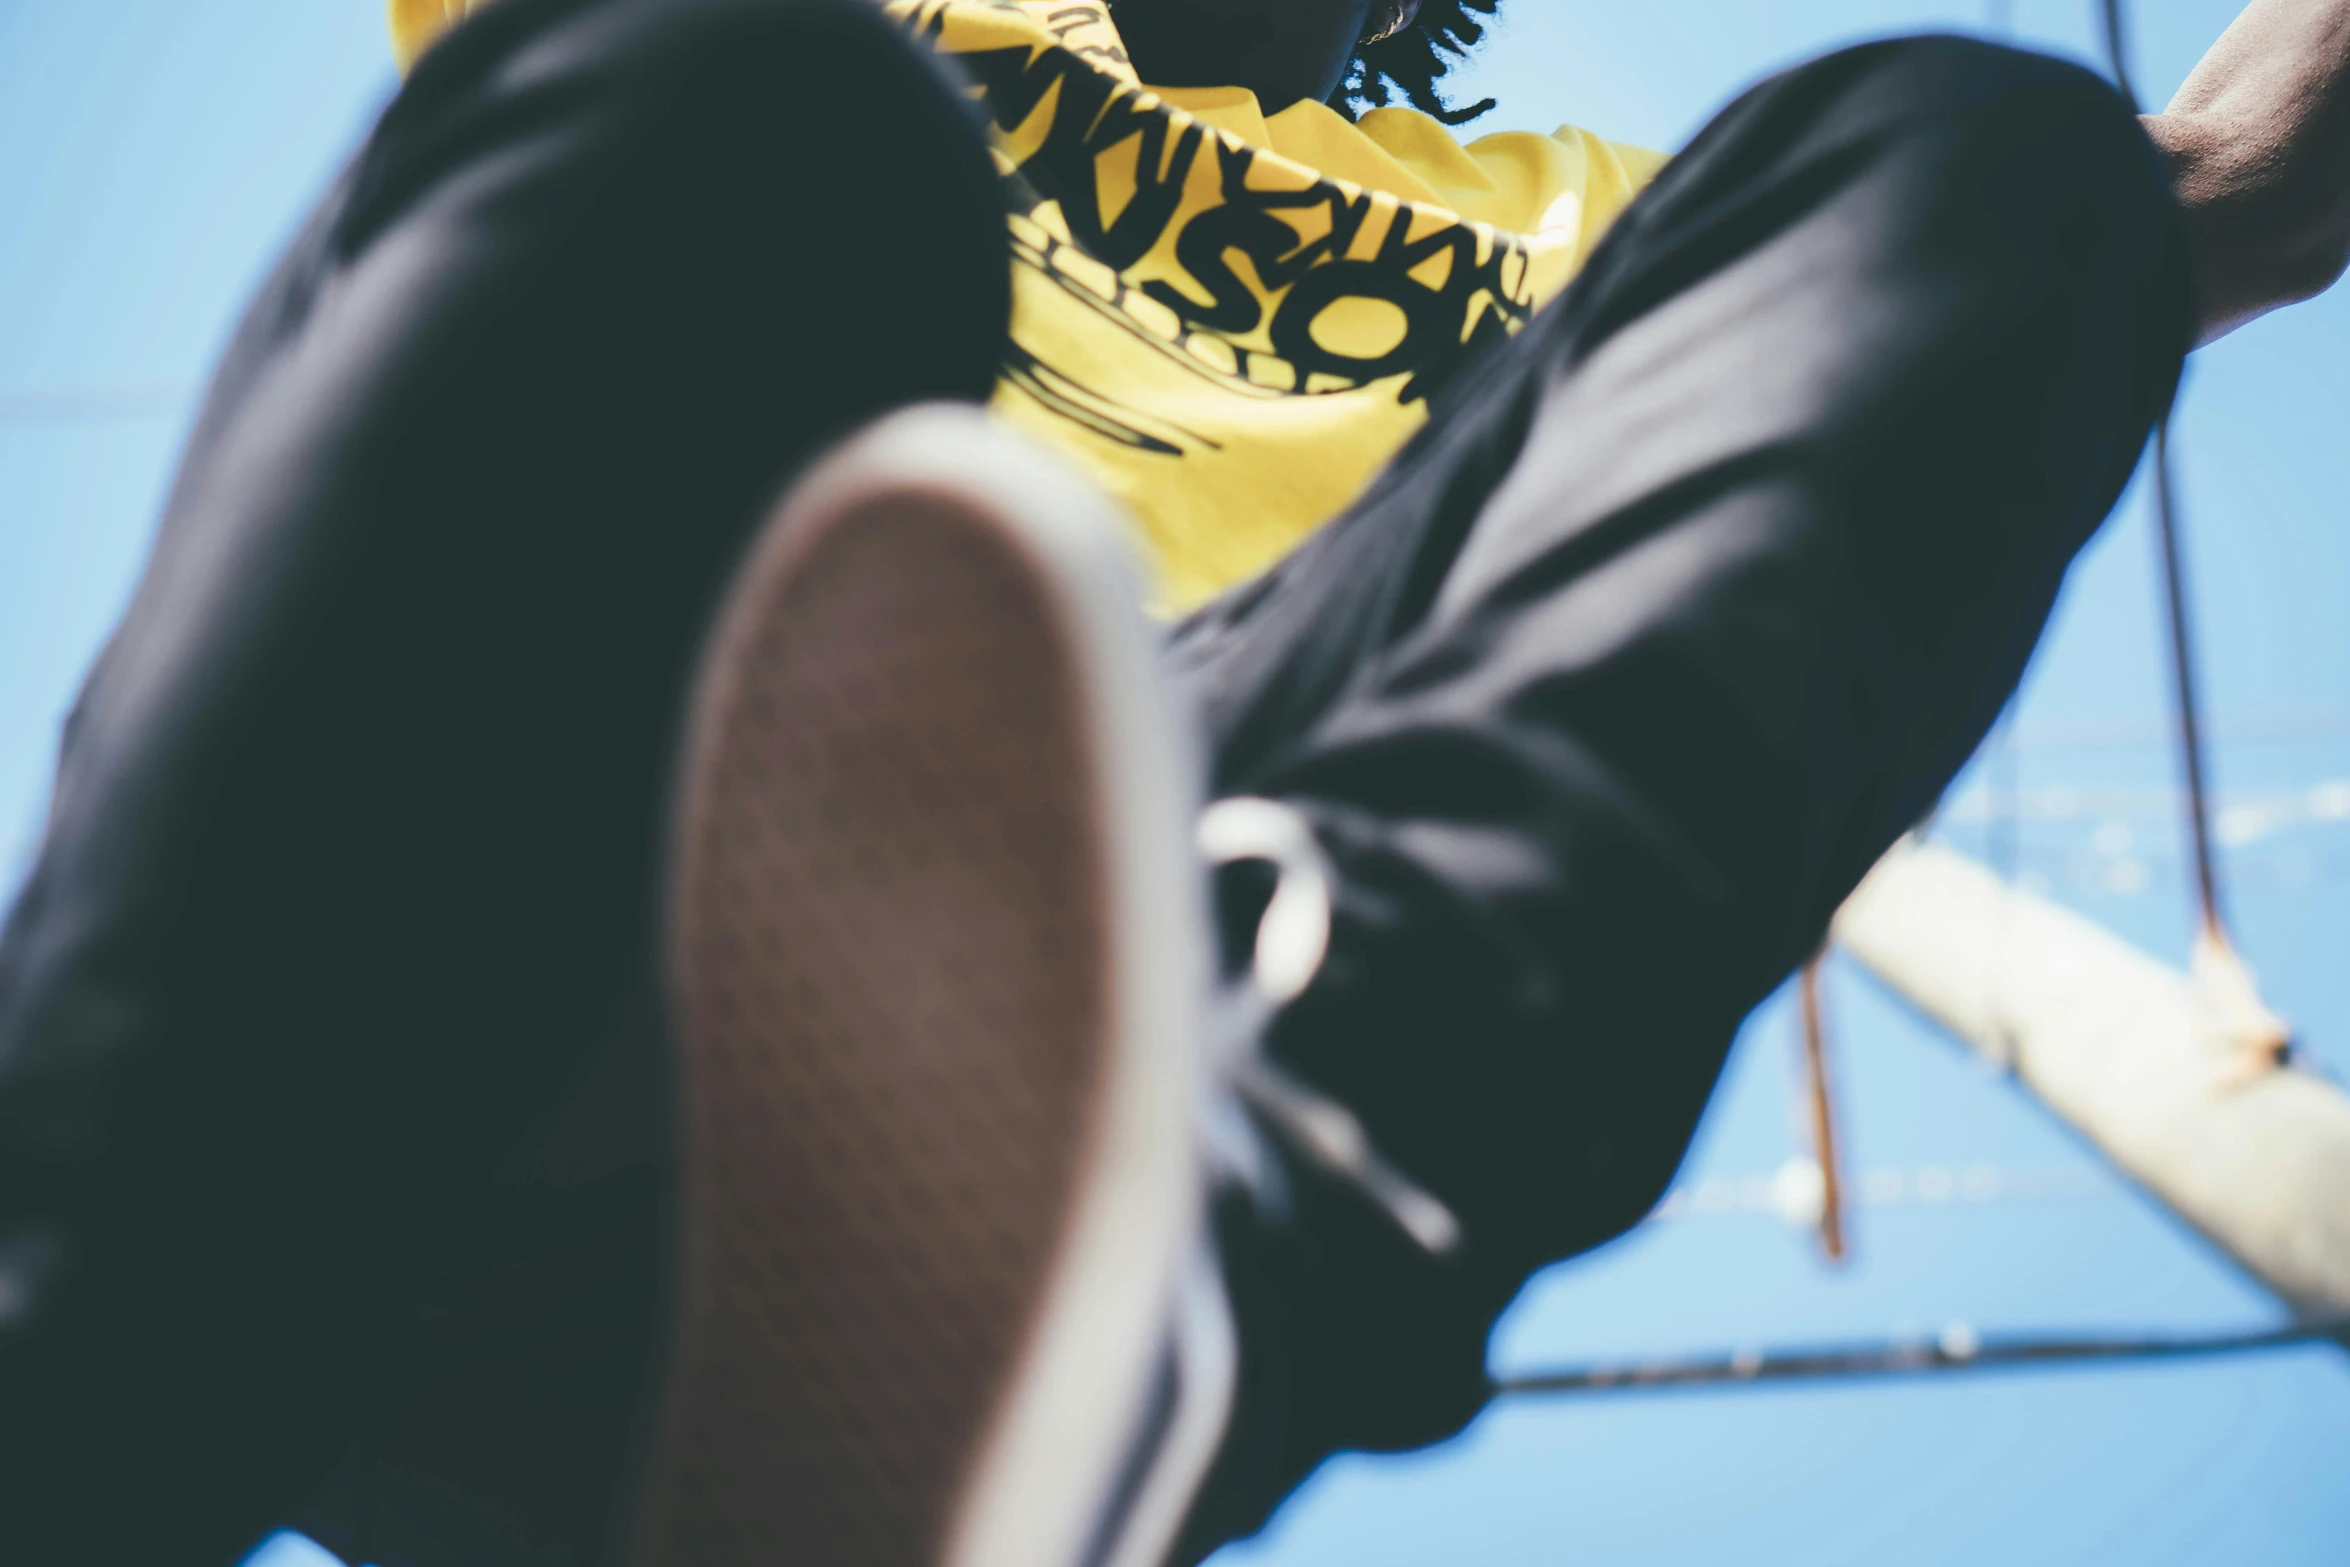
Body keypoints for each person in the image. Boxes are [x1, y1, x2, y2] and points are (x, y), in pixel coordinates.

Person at [1, 0, 2344, 1562]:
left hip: (994, 1062)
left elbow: (2227, 180)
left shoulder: (1540, 232)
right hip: (406, 1002)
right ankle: (89, 1339)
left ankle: (1197, 1266)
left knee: (1989, 165)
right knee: (760, 110)